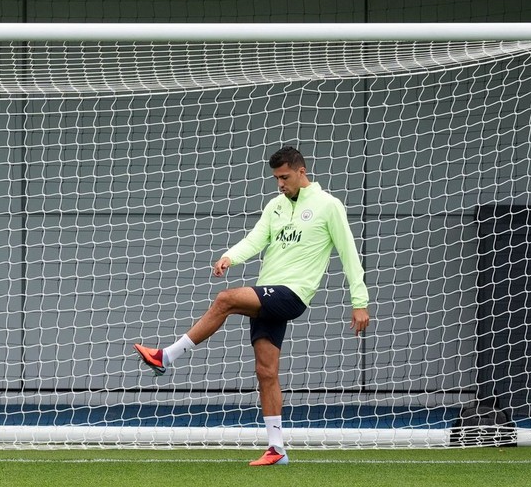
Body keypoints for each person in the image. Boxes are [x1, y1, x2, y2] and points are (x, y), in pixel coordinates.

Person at [133, 146, 370, 466]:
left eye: (285, 177)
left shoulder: (329, 206)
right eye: (276, 178)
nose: (280, 183)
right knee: (266, 371)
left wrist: (360, 303)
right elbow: (256, 239)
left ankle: (166, 356)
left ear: (302, 172)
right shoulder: (275, 205)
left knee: (226, 299)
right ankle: (277, 449)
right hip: (267, 292)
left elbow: (349, 254)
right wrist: (230, 256)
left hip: (293, 294)